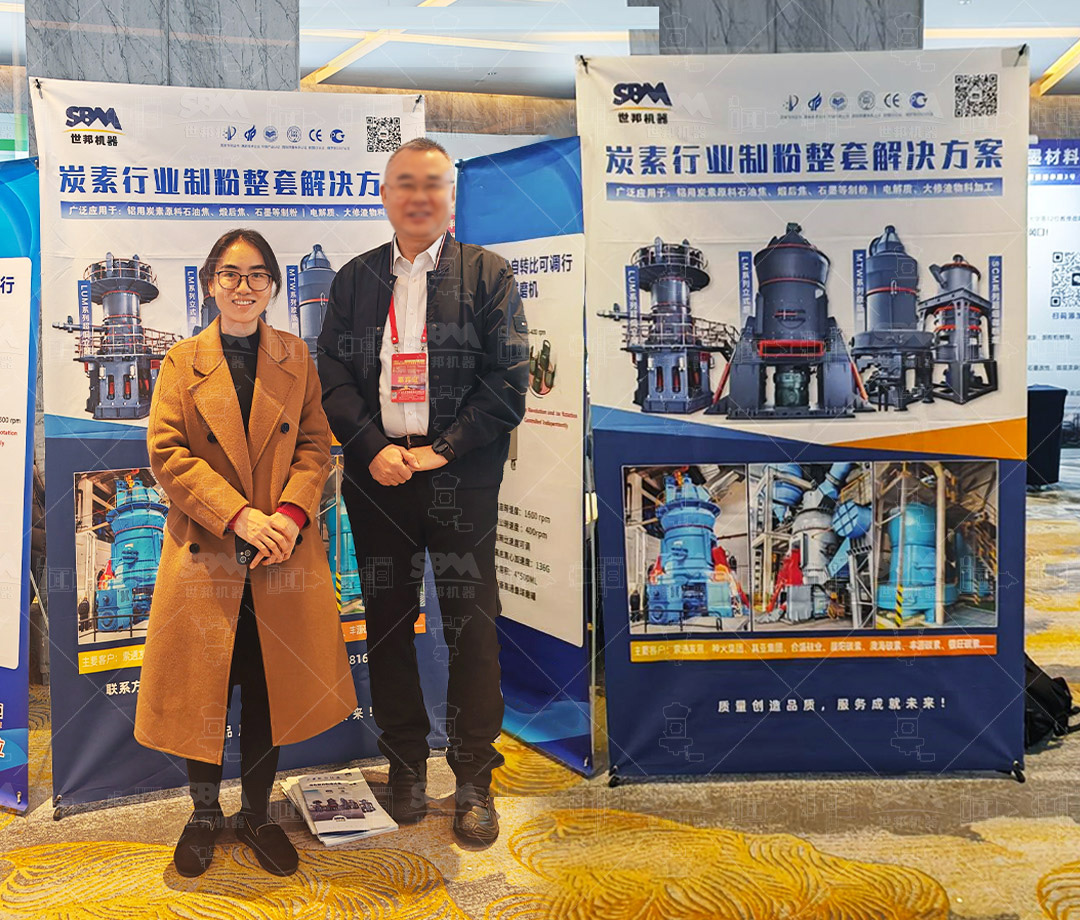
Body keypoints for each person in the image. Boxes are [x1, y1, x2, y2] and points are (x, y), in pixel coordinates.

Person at [318, 137, 529, 847]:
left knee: (473, 625)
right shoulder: (355, 279)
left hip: (460, 478)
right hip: (378, 479)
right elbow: (332, 375)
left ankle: (473, 778)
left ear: (450, 197)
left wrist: (443, 449)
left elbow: (508, 381)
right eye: (404, 183)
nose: (418, 196)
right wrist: (372, 448)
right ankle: (405, 764)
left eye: (432, 184)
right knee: (387, 622)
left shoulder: (487, 274)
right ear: (385, 195)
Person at [134, 228, 358, 878]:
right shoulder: (181, 361)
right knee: (202, 693)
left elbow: (315, 445)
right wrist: (239, 515)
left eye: (258, 275)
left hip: (278, 555)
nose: (244, 286)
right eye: (231, 274)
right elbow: (167, 454)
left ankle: (257, 813)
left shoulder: (296, 356)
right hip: (208, 552)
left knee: (268, 692)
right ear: (211, 283)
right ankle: (204, 815)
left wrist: (289, 514)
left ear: (273, 287)